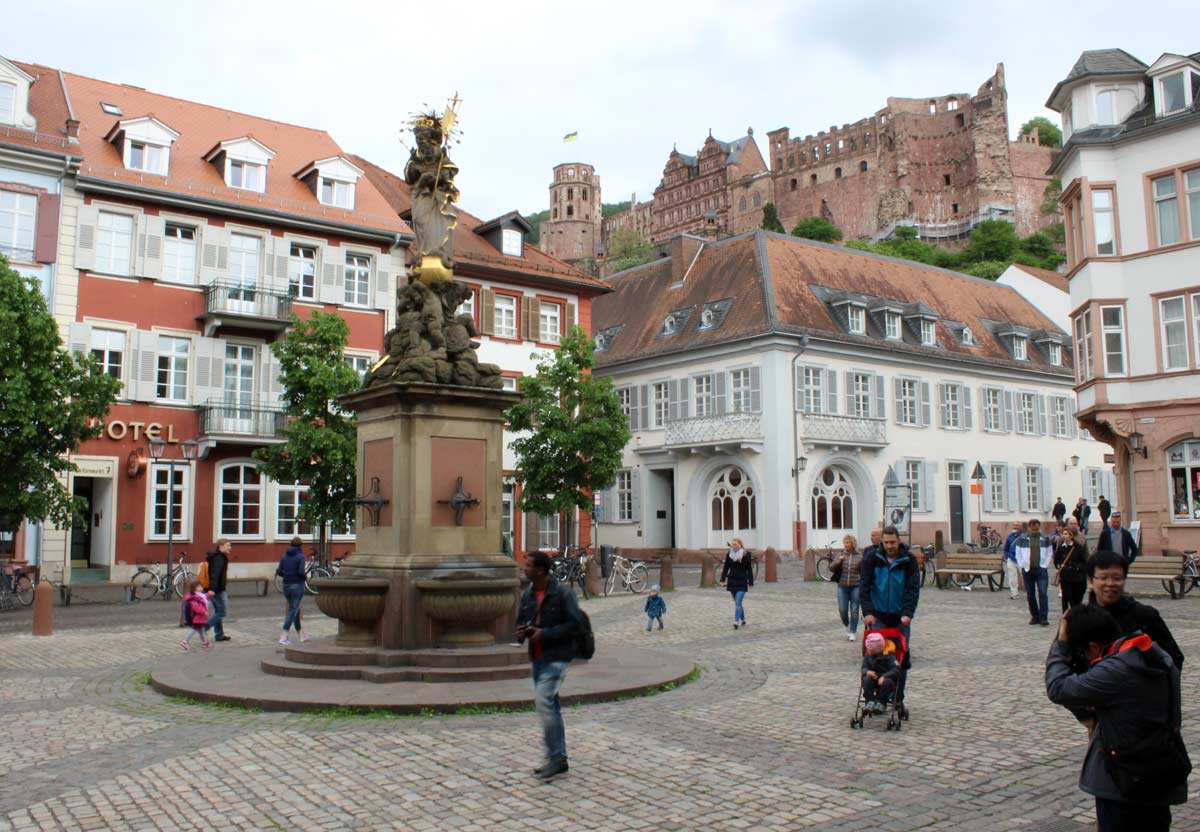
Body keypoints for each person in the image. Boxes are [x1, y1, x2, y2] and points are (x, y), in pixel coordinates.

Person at [1045, 604, 1188, 831]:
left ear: (1093, 646)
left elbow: (1058, 688)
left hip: (1125, 779)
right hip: (1160, 769)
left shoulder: (1116, 670)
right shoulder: (1151, 652)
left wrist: (1061, 644)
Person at [516, 551, 584, 781]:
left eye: (528, 566)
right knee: (551, 706)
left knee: (544, 702)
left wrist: (544, 634)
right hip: (538, 657)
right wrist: (522, 632)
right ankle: (559, 757)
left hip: (557, 657)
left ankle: (555, 759)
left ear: (541, 570)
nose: (524, 569)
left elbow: (575, 625)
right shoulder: (528, 594)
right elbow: (522, 621)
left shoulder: (563, 594)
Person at [1087, 550, 1184, 670]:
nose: (1110, 583)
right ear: (1091, 581)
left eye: (1117, 578)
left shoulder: (1144, 615)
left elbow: (1174, 658)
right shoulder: (1079, 619)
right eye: (1104, 578)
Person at [859, 525, 920, 705]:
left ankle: (897, 696)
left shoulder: (908, 560)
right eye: (886, 542)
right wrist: (867, 612)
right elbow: (864, 587)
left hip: (900, 616)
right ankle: (875, 695)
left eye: (892, 542)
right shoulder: (872, 558)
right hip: (878, 616)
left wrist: (908, 613)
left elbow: (913, 589)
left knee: (900, 656)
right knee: (875, 656)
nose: (889, 546)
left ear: (898, 540)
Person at [1015, 517, 1054, 626]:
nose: (1035, 531)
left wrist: (1045, 565)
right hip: (1028, 570)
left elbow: (1050, 553)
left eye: (1037, 529)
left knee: (1042, 593)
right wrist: (1022, 565)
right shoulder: (1022, 539)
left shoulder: (1045, 538)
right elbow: (1018, 553)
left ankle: (1043, 617)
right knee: (1030, 594)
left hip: (1040, 569)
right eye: (1033, 530)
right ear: (1029, 528)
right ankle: (1035, 616)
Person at [276, 536, 309, 646]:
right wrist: (305, 577)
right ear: (300, 545)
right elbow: (300, 572)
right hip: (297, 585)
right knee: (293, 609)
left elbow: (279, 571)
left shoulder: (284, 556)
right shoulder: (301, 557)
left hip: (286, 585)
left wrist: (287, 575)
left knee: (295, 609)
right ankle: (284, 635)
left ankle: (300, 634)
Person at [831, 534, 864, 641]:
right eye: (844, 542)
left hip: (856, 586)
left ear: (853, 543)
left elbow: (863, 571)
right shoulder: (840, 554)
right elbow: (831, 568)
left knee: (854, 609)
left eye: (848, 542)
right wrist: (838, 561)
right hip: (842, 586)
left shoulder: (860, 556)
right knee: (842, 609)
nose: (845, 545)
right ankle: (847, 624)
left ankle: (852, 631)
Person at [860, 631, 901, 714]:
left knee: (888, 682)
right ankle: (869, 701)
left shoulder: (889, 656)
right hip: (873, 678)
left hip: (885, 678)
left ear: (876, 650)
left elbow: (896, 669)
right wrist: (867, 672)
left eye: (869, 649)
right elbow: (863, 667)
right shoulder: (868, 657)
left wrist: (885, 676)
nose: (867, 650)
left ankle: (881, 702)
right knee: (866, 679)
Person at [719, 538, 754, 630]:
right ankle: (743, 619)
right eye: (732, 544)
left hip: (742, 581)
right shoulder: (729, 554)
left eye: (735, 544)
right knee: (738, 603)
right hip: (732, 581)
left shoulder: (746, 554)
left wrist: (750, 582)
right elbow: (726, 567)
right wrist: (722, 579)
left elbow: (749, 569)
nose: (733, 546)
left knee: (738, 602)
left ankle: (736, 621)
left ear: (740, 545)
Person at [1054, 525, 1088, 611]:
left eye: (1066, 534)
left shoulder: (1078, 547)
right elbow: (1056, 559)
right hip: (1065, 576)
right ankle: (1065, 615)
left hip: (1077, 577)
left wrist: (1076, 568)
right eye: (1063, 534)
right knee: (1065, 597)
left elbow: (1083, 561)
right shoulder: (1061, 547)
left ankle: (1075, 614)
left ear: (1071, 536)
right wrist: (1059, 566)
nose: (1064, 536)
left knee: (1075, 599)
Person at [205, 539, 232, 643]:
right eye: (228, 545)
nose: (230, 548)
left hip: (217, 588)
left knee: (218, 611)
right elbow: (215, 575)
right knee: (222, 612)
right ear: (221, 546)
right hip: (217, 590)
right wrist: (212, 589)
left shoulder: (219, 557)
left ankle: (219, 635)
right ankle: (205, 627)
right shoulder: (219, 558)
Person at [179, 580, 213, 650]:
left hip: (200, 617)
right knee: (195, 629)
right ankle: (185, 641)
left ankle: (204, 642)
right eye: (199, 587)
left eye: (201, 586)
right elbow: (196, 607)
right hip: (197, 617)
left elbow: (204, 597)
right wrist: (204, 612)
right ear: (194, 588)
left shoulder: (199, 595)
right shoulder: (194, 597)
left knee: (200, 630)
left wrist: (208, 594)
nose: (201, 588)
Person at [1002, 521, 1023, 600]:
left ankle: (1030, 593)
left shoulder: (1024, 536)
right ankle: (1014, 593)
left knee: (1025, 577)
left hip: (1021, 559)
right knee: (1012, 578)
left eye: (1017, 525)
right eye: (1014, 525)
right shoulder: (1010, 536)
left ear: (1020, 527)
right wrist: (1007, 557)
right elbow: (1006, 548)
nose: (1015, 527)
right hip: (1011, 558)